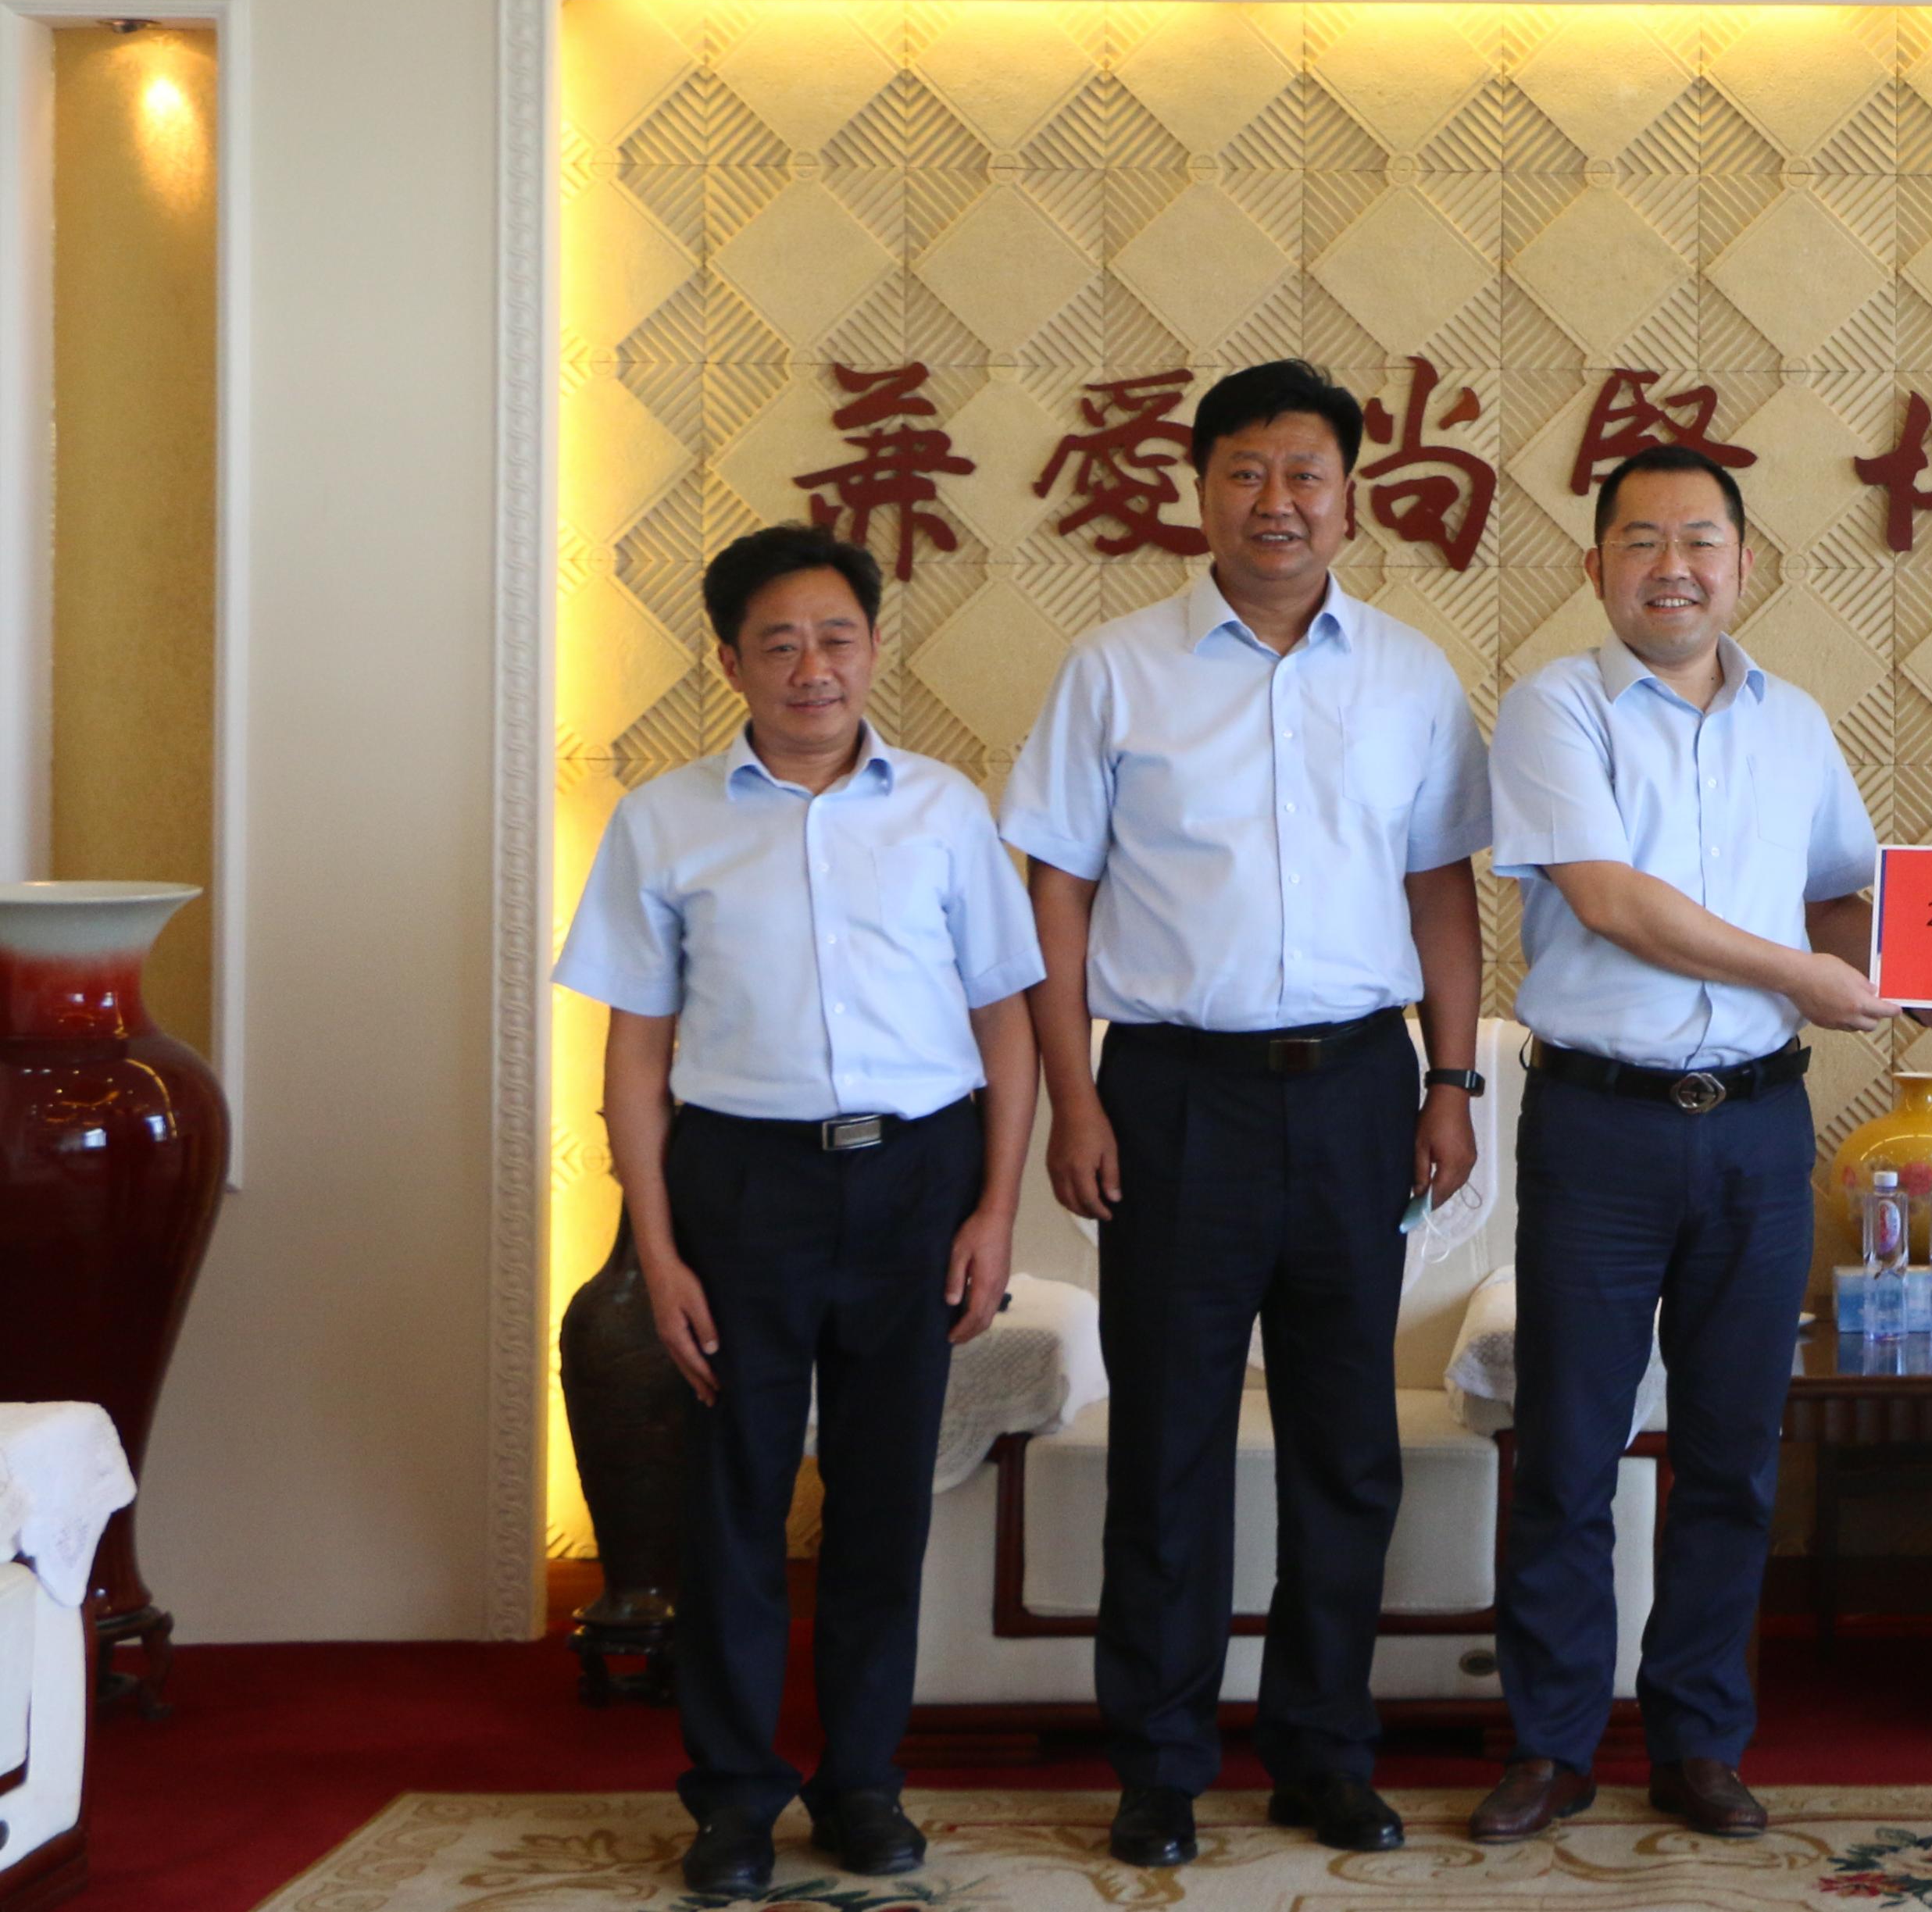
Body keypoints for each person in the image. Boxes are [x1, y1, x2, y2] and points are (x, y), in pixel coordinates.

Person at [1002, 360, 1491, 1869]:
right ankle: (1159, 1763)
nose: (1276, 502)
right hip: (1171, 1094)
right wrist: (1074, 1095)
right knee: (1168, 1442)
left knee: (1346, 1444)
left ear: (1350, 496)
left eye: (1305, 475)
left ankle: (1321, 1751)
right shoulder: (1113, 669)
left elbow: (1440, 892)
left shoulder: (1409, 674)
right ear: (1199, 487)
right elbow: (1055, 893)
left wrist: (1452, 1080)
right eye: (1245, 473)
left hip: (1358, 1093)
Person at [555, 525, 1043, 1900]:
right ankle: (730, 1797)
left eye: (836, 637)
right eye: (778, 642)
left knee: (884, 1503)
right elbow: (634, 1053)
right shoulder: (665, 820)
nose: (812, 666)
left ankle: (862, 1782)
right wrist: (656, 1254)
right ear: (730, 662)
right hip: (742, 1187)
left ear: (873, 647)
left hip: (915, 1181)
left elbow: (1004, 1022)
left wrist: (995, 1210)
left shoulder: (943, 810)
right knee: (734, 1502)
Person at [1473, 443, 1894, 1846]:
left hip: (1760, 1127)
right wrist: (1801, 971)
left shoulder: (1796, 722)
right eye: (1642, 540)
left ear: (1743, 563)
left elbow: (1839, 900)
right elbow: (1609, 898)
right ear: (1595, 564)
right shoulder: (1554, 706)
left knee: (1731, 1452)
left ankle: (1699, 1738)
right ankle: (1551, 1743)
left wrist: (1921, 967)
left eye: (1700, 540)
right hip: (1601, 1125)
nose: (1674, 567)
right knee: (1569, 1448)